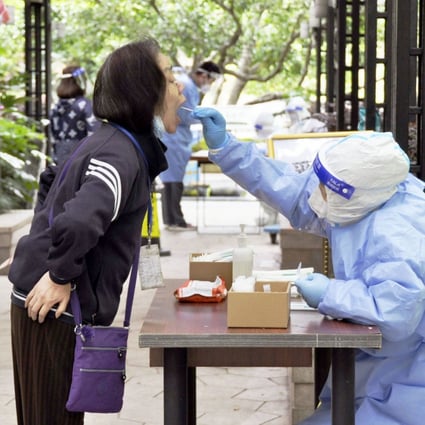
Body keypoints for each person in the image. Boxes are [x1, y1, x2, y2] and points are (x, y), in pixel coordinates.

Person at [193, 107, 425, 425]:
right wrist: (227, 148)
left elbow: (395, 313)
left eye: (325, 189)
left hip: (406, 386)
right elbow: (290, 188)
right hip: (377, 371)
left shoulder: (398, 234)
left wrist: (331, 292)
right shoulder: (368, 192)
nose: (316, 195)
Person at [8, 37, 185, 425]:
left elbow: (51, 184)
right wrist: (59, 274)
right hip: (53, 310)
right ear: (145, 90)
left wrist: (45, 257)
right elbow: (77, 220)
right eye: (171, 76)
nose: (180, 86)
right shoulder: (119, 153)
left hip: (48, 307)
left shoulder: (114, 144)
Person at [159, 61, 221, 230]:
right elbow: (186, 114)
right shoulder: (185, 85)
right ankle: (175, 221)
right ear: (203, 75)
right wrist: (207, 118)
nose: (210, 84)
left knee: (172, 181)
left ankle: (173, 220)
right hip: (174, 139)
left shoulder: (188, 86)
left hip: (177, 138)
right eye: (211, 80)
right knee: (173, 182)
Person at [49, 65, 100, 165]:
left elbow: (53, 137)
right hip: (82, 160)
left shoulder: (56, 107)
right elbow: (95, 135)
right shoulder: (85, 106)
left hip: (60, 159)